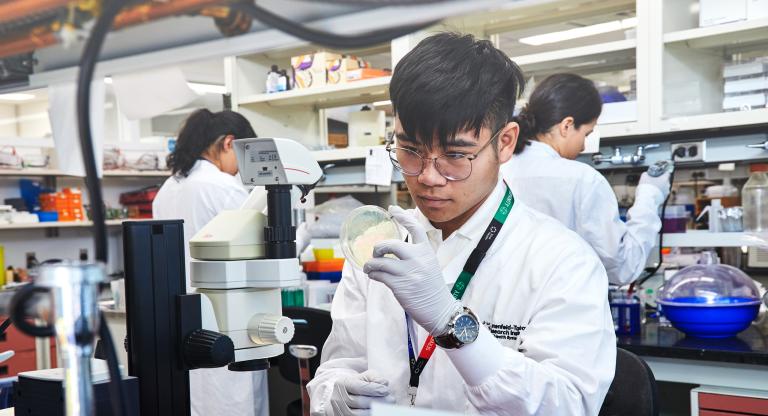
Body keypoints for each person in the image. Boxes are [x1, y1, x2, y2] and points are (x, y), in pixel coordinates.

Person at [307, 33, 615, 415]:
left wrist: (452, 325)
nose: (428, 177)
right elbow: (339, 363)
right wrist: (335, 393)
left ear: (505, 142)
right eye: (410, 150)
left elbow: (569, 405)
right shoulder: (381, 243)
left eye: (455, 155)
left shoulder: (563, 261)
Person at [501, 73, 671, 286]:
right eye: (587, 134)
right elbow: (622, 267)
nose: (583, 146)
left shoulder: (499, 168)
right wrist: (649, 195)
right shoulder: (582, 180)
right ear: (567, 125)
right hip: (563, 310)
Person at [152, 109, 267, 416]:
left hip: (181, 317)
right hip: (227, 317)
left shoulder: (168, 188)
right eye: (243, 155)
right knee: (232, 400)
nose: (242, 170)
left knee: (196, 399)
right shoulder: (221, 186)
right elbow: (256, 249)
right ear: (229, 143)